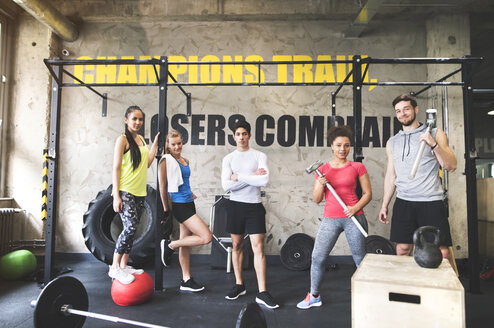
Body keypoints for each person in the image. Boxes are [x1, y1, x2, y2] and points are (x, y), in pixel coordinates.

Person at [296, 125, 372, 309]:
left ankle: (370, 295)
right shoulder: (322, 169)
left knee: (360, 258)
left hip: (354, 217)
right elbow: (316, 199)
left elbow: (368, 194)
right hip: (331, 218)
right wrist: (320, 184)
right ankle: (314, 295)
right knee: (318, 257)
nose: (342, 149)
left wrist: (355, 208)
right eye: (338, 145)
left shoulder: (357, 166)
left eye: (346, 146)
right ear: (331, 146)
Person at [379, 94, 457, 259]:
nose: (402, 114)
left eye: (406, 109)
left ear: (416, 109)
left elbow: (451, 165)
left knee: (441, 252)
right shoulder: (392, 142)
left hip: (431, 201)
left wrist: (433, 144)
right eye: (398, 111)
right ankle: (407, 284)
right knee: (402, 249)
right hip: (404, 201)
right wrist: (385, 204)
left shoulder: (436, 133)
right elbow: (391, 175)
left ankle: (442, 285)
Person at [221, 120, 279, 309]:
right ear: (234, 136)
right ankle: (239, 284)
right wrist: (252, 178)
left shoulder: (259, 155)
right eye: (238, 134)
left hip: (254, 206)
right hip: (235, 205)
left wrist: (239, 176)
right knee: (237, 245)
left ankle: (262, 292)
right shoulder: (228, 159)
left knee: (258, 247)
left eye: (244, 133)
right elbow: (226, 186)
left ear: (249, 135)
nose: (241, 137)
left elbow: (265, 179)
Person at [109, 105, 159, 284]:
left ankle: (123, 265)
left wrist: (154, 145)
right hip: (126, 190)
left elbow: (147, 164)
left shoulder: (141, 141)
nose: (138, 122)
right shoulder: (122, 139)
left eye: (140, 119)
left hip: (139, 192)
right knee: (130, 228)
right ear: (126, 120)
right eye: (134, 119)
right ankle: (114, 267)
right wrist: (116, 195)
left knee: (133, 229)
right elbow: (116, 167)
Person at [159, 129, 212, 292]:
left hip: (189, 202)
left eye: (179, 143)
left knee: (186, 244)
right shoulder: (165, 161)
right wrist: (166, 209)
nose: (177, 147)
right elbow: (163, 186)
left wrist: (191, 193)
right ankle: (170, 245)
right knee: (206, 237)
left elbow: (184, 182)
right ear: (168, 145)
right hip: (180, 206)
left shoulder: (185, 160)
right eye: (173, 144)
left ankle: (186, 279)